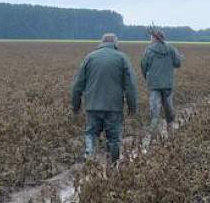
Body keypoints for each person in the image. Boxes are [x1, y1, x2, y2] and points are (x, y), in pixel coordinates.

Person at [70, 33, 138, 163]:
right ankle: (112, 168)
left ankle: (89, 157)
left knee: (91, 133)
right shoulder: (122, 58)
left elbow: (77, 85)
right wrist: (132, 108)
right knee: (113, 139)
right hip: (114, 107)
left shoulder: (89, 57)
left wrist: (76, 106)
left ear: (101, 42)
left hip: (93, 106)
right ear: (115, 43)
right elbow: (131, 86)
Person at [140, 28, 184, 134]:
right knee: (168, 106)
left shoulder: (149, 50)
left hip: (154, 84)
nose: (150, 39)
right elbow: (178, 63)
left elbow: (143, 66)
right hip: (168, 83)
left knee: (155, 107)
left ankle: (154, 129)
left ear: (154, 38)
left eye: (151, 37)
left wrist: (147, 77)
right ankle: (171, 126)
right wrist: (180, 58)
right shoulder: (171, 48)